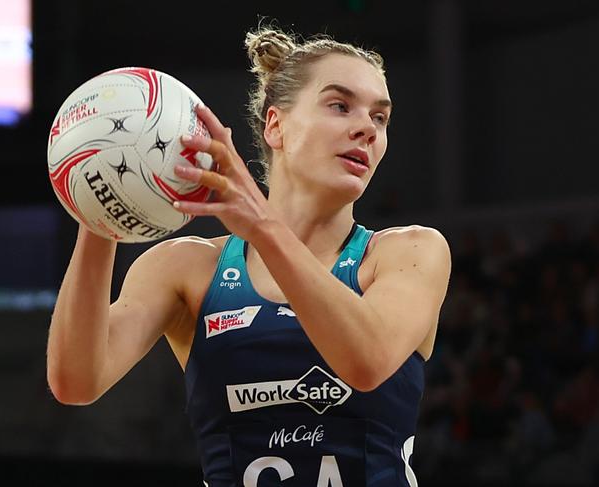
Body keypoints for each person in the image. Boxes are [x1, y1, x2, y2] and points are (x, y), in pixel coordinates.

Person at [46, 24, 452, 487]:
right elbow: (76, 381)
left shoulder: (409, 251)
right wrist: (99, 205)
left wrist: (262, 226)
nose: (366, 129)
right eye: (340, 106)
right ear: (275, 126)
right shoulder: (188, 267)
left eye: (380, 118)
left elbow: (367, 362)